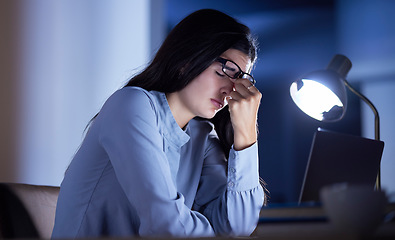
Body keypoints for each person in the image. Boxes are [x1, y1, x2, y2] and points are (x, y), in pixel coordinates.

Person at [52, 9, 265, 238]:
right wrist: (213, 232)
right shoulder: (131, 105)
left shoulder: (202, 136)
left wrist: (246, 132)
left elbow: (238, 227)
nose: (230, 90)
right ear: (187, 59)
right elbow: (165, 226)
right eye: (225, 72)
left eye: (240, 80)